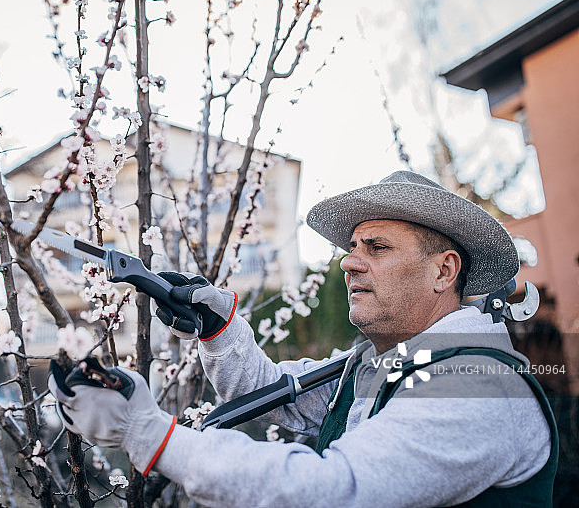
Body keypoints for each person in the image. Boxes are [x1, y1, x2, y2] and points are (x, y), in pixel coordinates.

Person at [48, 171, 558, 507]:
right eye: (352, 247)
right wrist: (220, 329)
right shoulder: (380, 366)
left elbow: (331, 491)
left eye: (376, 247)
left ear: (444, 271)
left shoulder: (478, 385)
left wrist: (150, 435)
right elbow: (278, 396)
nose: (350, 262)